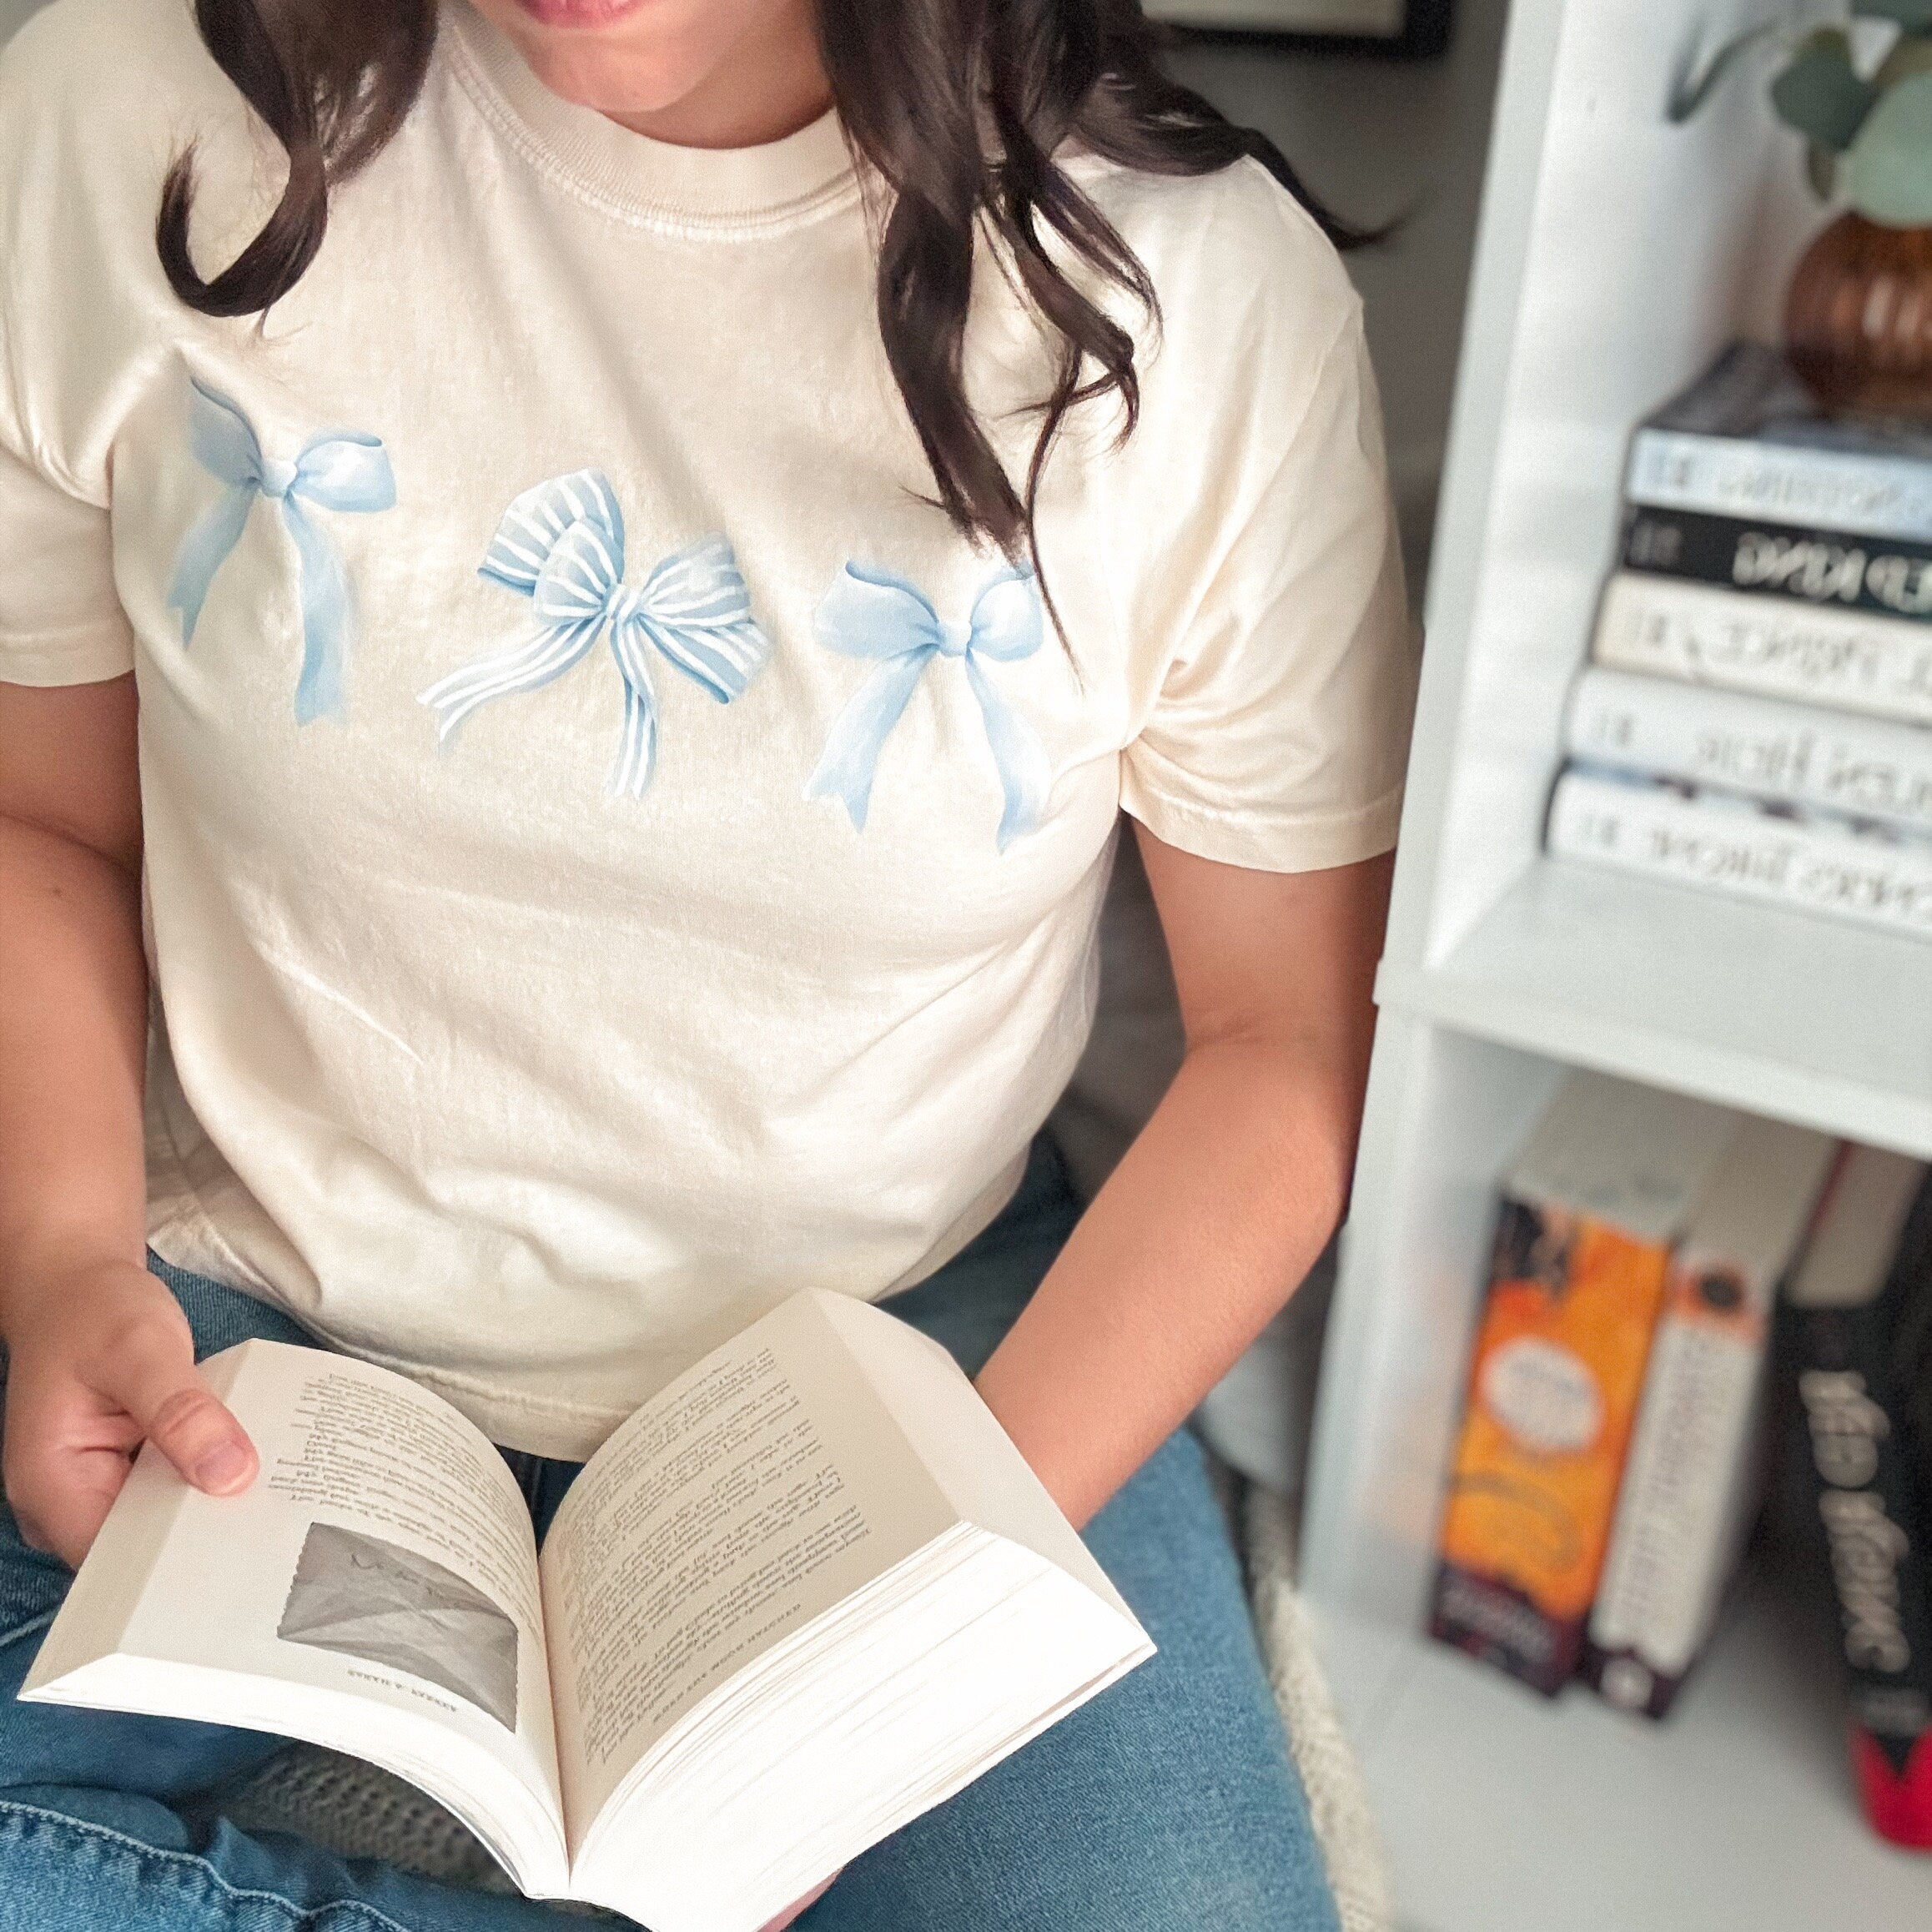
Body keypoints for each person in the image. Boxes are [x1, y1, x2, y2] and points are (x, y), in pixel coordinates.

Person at [0, 0, 1418, 1926]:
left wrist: (911, 1636)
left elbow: (1281, 1053)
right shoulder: (120, 110)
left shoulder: (1202, 307)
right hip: (240, 1309)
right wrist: (64, 1258)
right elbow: (48, 828)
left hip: (912, 1349)